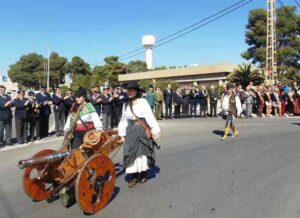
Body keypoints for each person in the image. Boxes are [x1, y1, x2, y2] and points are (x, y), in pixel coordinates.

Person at [118, 81, 160, 187]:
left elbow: (149, 116)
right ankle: (133, 176)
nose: (130, 92)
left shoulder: (143, 102)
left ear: (136, 91)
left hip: (142, 130)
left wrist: (155, 130)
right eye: (128, 91)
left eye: (132, 90)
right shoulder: (126, 104)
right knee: (130, 152)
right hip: (131, 131)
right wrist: (122, 134)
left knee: (142, 152)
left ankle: (144, 173)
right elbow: (123, 120)